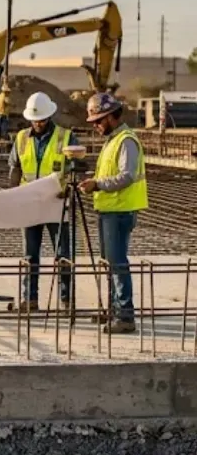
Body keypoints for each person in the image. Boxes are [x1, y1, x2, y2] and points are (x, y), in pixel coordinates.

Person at [78, 92, 148, 334]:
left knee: (118, 264)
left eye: (98, 121)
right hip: (109, 210)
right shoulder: (113, 140)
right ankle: (113, 310)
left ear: (110, 117)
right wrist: (94, 182)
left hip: (120, 211)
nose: (95, 125)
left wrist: (97, 184)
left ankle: (125, 315)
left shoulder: (126, 140)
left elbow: (126, 176)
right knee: (109, 262)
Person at [8, 92, 78, 312]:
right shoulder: (21, 138)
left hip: (56, 203)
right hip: (30, 204)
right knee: (30, 255)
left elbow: (75, 168)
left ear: (49, 116)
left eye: (41, 119)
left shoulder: (65, 137)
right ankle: (29, 299)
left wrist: (68, 190)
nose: (37, 123)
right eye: (34, 120)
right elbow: (15, 169)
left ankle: (66, 300)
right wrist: (13, 195)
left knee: (63, 254)